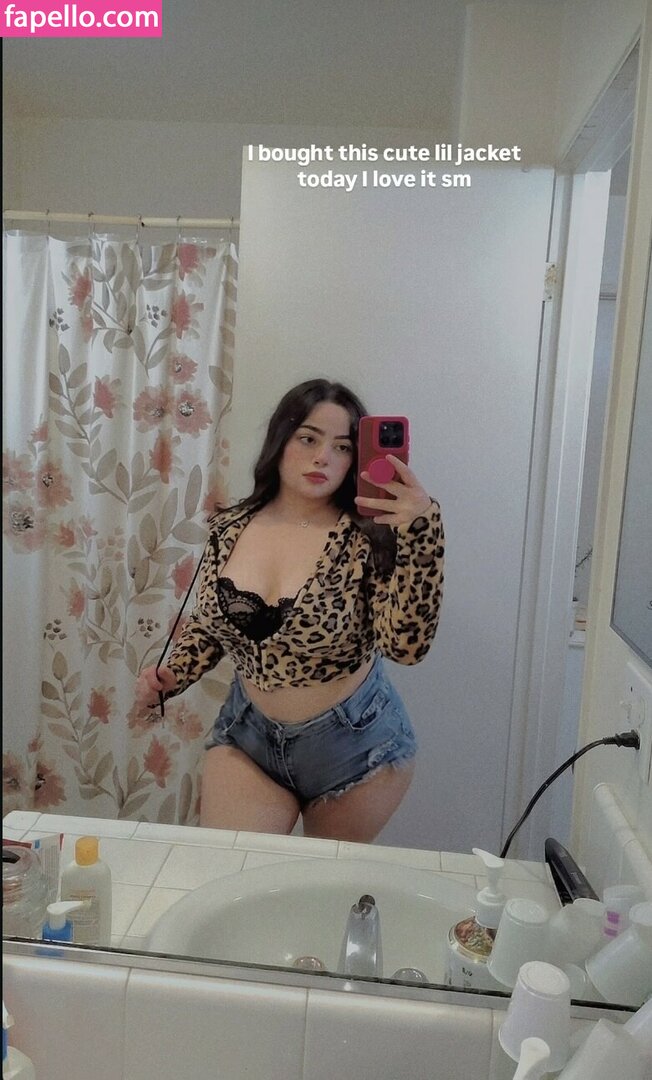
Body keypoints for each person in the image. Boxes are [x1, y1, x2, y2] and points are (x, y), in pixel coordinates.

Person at [136, 378, 444, 842]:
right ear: (280, 440)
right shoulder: (229, 526)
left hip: (356, 750)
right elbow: (213, 625)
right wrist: (174, 674)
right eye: (308, 438)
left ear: (356, 459)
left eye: (342, 447)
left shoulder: (370, 536)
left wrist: (422, 530)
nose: (323, 457)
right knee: (234, 870)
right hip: (250, 738)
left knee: (318, 883)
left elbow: (405, 647)